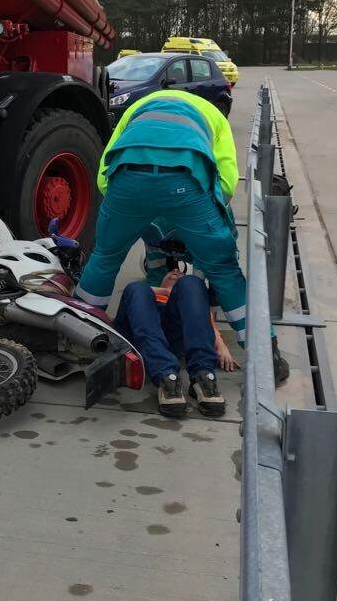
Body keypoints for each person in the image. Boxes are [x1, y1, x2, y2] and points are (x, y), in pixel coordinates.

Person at [75, 88, 289, 383]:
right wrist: (195, 221)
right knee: (224, 270)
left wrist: (144, 217)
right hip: (185, 181)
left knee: (105, 257)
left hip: (126, 181)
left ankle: (81, 334)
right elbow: (225, 182)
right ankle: (267, 354)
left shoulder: (136, 109)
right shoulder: (215, 117)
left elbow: (103, 176)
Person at [115, 267, 238, 418]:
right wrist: (165, 291)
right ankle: (166, 376)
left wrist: (220, 344)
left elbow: (203, 320)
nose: (175, 271)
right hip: (138, 330)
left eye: (180, 272)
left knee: (192, 282)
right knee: (136, 287)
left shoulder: (185, 300)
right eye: (171, 271)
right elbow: (138, 293)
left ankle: (203, 378)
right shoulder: (144, 293)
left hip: (171, 335)